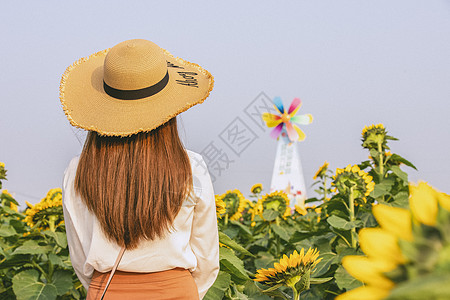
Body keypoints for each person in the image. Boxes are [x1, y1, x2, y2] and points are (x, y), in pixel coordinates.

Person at [60, 39, 219, 299]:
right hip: (177, 292)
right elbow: (207, 258)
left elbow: (80, 258)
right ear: (169, 111)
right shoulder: (192, 167)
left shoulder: (77, 170)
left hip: (108, 290)